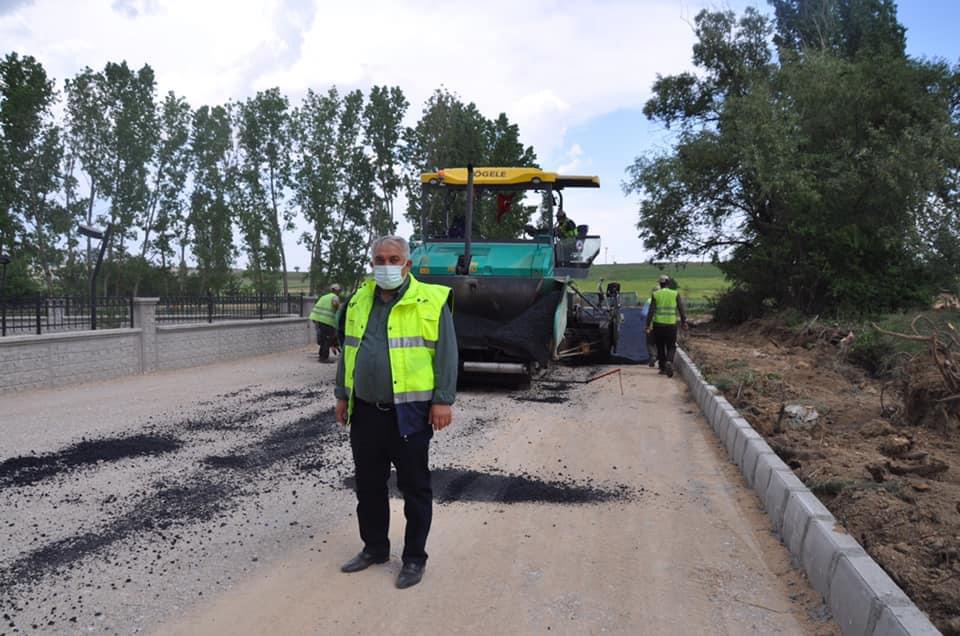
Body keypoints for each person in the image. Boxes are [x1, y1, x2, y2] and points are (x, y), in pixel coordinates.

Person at [334, 235, 457, 590]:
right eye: (379, 259)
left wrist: (443, 400)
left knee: (415, 488)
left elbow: (447, 354)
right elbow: (349, 351)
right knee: (369, 486)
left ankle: (414, 558)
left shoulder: (432, 301)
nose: (385, 265)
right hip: (367, 412)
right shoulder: (359, 300)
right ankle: (374, 548)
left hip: (411, 414)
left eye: (393, 259)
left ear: (407, 265)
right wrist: (342, 395)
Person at [645, 275, 688, 377]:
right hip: (671, 324)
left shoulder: (655, 294)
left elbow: (651, 311)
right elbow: (681, 309)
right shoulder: (675, 294)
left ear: (660, 284)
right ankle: (669, 361)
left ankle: (663, 368)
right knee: (671, 346)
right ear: (668, 283)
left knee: (660, 346)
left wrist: (647, 325)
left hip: (658, 325)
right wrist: (684, 322)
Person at [309, 284, 342, 362]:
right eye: (339, 290)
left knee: (323, 339)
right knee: (327, 339)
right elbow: (335, 304)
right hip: (326, 321)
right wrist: (339, 307)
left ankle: (321, 355)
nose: (339, 292)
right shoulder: (334, 297)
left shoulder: (324, 297)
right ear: (336, 290)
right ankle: (324, 358)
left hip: (317, 319)